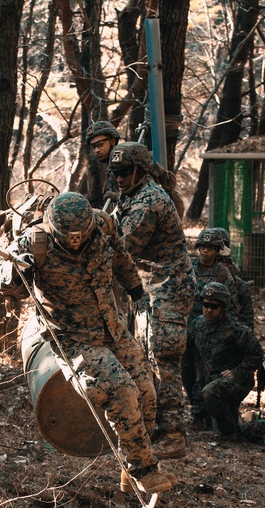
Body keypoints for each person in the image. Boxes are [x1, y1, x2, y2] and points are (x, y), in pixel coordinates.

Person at [0, 191, 176, 493]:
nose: (76, 241)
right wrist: (16, 270)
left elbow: (121, 258)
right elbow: (1, 279)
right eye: (69, 237)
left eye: (82, 235)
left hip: (112, 327)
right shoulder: (35, 241)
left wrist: (137, 292)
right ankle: (142, 471)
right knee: (122, 391)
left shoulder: (103, 226)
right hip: (73, 338)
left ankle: (129, 463)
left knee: (146, 390)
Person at [110, 142, 197, 460]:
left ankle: (173, 435)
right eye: (115, 172)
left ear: (140, 171)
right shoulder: (132, 194)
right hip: (151, 290)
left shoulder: (148, 201)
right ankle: (152, 427)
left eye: (124, 172)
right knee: (145, 359)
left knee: (163, 363)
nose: (119, 178)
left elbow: (121, 251)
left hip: (169, 291)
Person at [187, 282, 263, 441]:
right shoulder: (198, 324)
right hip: (212, 380)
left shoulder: (236, 330)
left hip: (236, 381)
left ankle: (230, 434)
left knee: (211, 394)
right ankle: (252, 427)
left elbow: (256, 354)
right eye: (205, 305)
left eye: (213, 307)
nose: (208, 309)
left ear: (223, 307)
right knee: (211, 397)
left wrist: (237, 372)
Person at [77, 121, 120, 210]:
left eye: (100, 145)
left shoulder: (125, 163)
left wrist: (118, 196)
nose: (96, 150)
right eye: (93, 147)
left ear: (112, 140)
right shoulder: (109, 165)